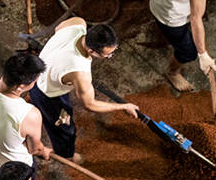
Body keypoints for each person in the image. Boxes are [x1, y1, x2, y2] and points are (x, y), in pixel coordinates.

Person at [28, 18, 139, 163]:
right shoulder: (80, 72)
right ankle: (66, 155)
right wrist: (124, 106)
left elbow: (58, 29)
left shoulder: (77, 23)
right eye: (107, 55)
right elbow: (90, 104)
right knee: (65, 129)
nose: (109, 57)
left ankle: (30, 97)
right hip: (47, 94)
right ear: (91, 51)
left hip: (36, 70)